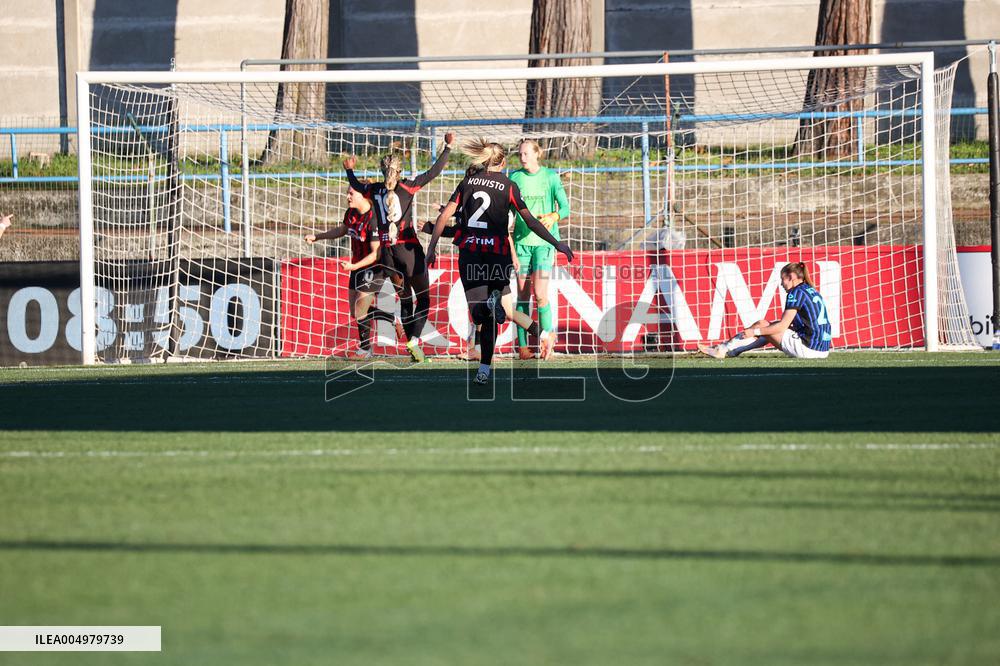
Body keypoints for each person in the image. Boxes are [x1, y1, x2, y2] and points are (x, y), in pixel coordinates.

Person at [426, 138, 573, 385]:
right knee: (500, 312)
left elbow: (444, 217)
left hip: (470, 253)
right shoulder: (509, 185)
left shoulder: (467, 183)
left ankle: (486, 359)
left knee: (479, 314)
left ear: (484, 160)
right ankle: (485, 368)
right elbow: (530, 221)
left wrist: (431, 248)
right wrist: (557, 242)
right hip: (497, 255)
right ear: (503, 163)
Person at [342, 132, 455, 362]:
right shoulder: (408, 187)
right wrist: (448, 148)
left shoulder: (374, 190)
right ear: (399, 171)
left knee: (404, 300)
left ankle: (412, 348)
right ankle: (413, 340)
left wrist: (349, 170)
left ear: (383, 171)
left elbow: (355, 185)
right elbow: (434, 172)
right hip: (407, 248)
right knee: (422, 299)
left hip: (387, 253)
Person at [305, 187, 395, 358]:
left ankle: (365, 349)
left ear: (363, 196)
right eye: (347, 192)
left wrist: (354, 267)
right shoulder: (351, 213)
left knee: (361, 308)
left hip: (374, 267)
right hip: (356, 266)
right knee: (355, 311)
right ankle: (391, 318)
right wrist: (317, 236)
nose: (347, 196)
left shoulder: (374, 219)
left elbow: (376, 253)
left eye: (351, 193)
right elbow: (341, 230)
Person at [510, 139, 569, 360]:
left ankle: (548, 341)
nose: (522, 157)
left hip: (544, 245)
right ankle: (523, 348)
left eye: (526, 153)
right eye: (520, 154)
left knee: (540, 294)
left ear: (537, 154)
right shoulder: (514, 178)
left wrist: (554, 216)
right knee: (522, 296)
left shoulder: (551, 177)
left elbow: (565, 207)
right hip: (521, 245)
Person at [698, 262, 832, 359]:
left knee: (763, 325)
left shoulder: (795, 293)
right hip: (823, 349)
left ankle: (722, 349)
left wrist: (754, 331)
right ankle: (730, 351)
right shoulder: (811, 290)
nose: (781, 284)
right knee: (770, 327)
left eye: (783, 279)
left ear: (791, 277)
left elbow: (782, 326)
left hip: (808, 349)